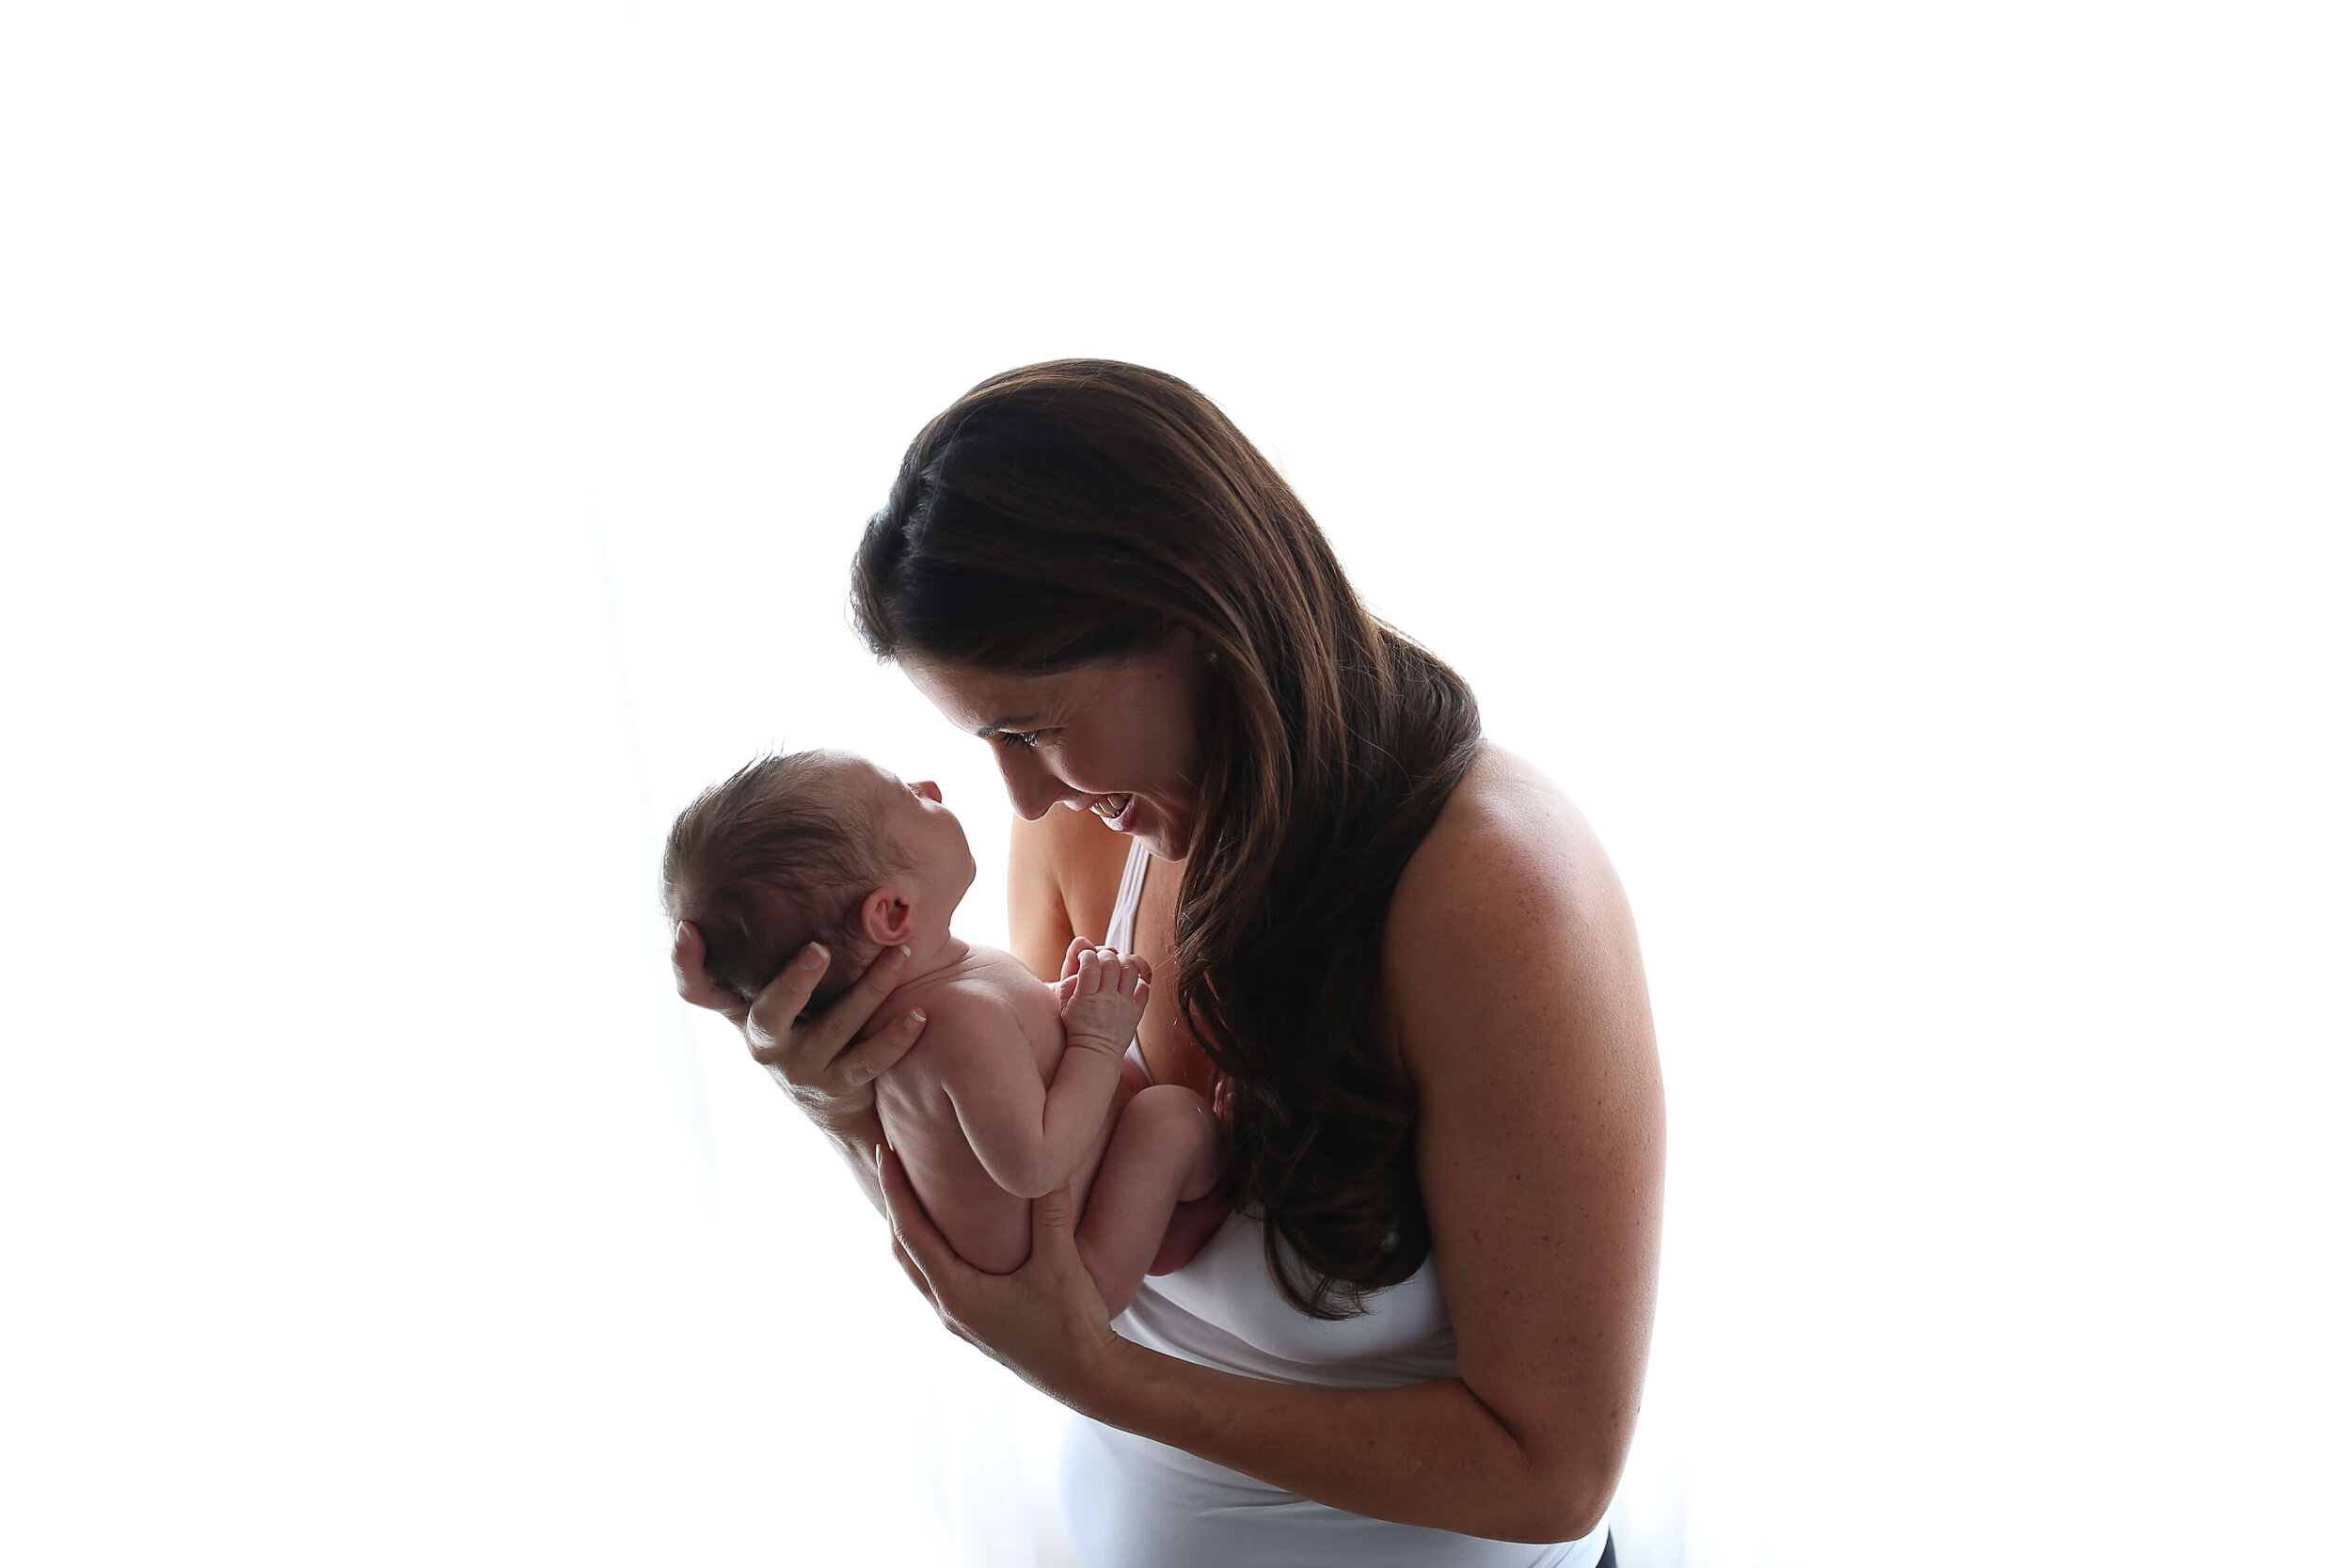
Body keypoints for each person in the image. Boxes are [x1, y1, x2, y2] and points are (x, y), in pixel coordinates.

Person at [672, 360, 1662, 1567]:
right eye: (987, 741)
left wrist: (1102, 1377)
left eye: (1030, 727)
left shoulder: (1498, 897)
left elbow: (1551, 1470)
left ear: (1195, 622)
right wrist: (838, 1087)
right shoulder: (1082, 826)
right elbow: (1022, 1232)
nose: (1022, 795)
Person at [660, 747, 1226, 1313]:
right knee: (1173, 1119)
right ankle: (1215, 1193)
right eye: (908, 798)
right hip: (1076, 1278)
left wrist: (1067, 1002)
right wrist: (1097, 1038)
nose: (930, 787)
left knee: (1142, 1103)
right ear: (893, 913)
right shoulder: (953, 1022)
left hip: (1079, 1230)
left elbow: (1025, 1058)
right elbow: (1036, 1163)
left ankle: (1161, 1217)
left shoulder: (940, 997)